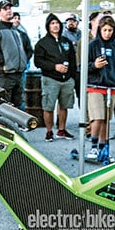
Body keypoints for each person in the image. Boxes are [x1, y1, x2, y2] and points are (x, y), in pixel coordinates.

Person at [86, 14, 115, 164]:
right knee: (97, 118)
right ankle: (93, 148)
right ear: (100, 29)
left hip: (111, 87)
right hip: (95, 87)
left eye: (110, 30)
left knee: (106, 120)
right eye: (104, 30)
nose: (107, 33)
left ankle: (103, 148)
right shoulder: (92, 46)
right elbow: (82, 67)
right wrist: (94, 66)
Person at [33, 12, 78, 141]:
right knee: (48, 106)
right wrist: (54, 66)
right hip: (50, 79)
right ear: (48, 26)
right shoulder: (42, 43)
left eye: (57, 23)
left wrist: (71, 77)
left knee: (64, 106)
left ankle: (61, 130)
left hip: (67, 80)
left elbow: (73, 60)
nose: (55, 25)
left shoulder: (66, 41)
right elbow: (38, 61)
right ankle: (49, 131)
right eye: (52, 23)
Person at [0, 0, 31, 107]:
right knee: (3, 106)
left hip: (19, 75)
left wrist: (24, 61)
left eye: (10, 8)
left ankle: (16, 125)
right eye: (5, 9)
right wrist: (4, 62)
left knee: (18, 107)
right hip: (4, 75)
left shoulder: (17, 30)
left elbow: (28, 49)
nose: (8, 11)